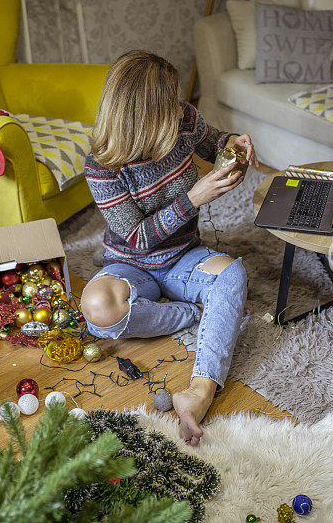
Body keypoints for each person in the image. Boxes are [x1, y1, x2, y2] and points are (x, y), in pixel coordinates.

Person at [80, 50, 257, 446]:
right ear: (143, 116)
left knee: (232, 273)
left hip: (183, 258)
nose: (181, 112)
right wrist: (191, 199)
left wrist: (236, 144)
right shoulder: (102, 166)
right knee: (96, 308)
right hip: (132, 264)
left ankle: (199, 393)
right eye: (171, 105)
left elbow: (215, 141)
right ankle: (195, 311)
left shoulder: (183, 119)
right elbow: (137, 238)